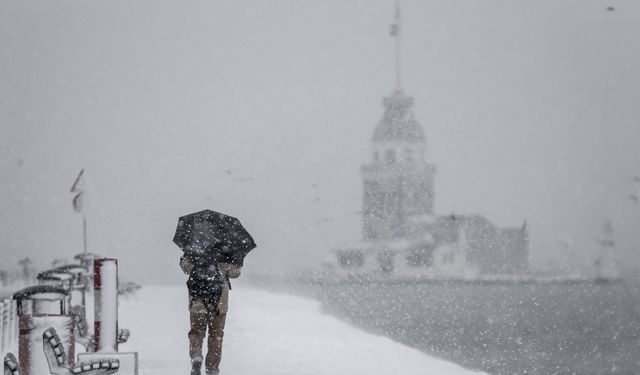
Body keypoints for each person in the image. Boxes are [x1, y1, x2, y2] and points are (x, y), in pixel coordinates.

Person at [180, 247, 241, 375]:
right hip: (219, 304)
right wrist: (235, 261)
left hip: (198, 302)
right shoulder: (225, 250)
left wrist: (184, 258)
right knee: (216, 336)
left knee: (196, 333)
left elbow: (186, 267)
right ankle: (212, 368)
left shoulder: (195, 248)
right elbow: (236, 273)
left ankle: (196, 356)